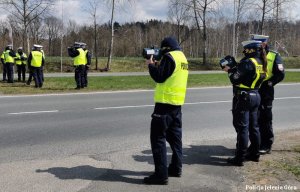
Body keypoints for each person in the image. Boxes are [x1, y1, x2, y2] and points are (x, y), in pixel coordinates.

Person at [143, 37, 188, 185]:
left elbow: (160, 77)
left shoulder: (169, 57)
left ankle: (161, 175)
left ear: (166, 48)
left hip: (164, 105)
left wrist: (151, 65)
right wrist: (157, 64)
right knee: (176, 139)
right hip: (177, 105)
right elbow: (170, 75)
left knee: (158, 139)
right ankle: (176, 168)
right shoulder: (182, 57)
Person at [223, 40, 267, 166]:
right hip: (256, 95)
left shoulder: (248, 62)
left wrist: (229, 70)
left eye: (246, 49)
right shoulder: (261, 61)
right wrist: (237, 67)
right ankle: (255, 154)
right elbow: (249, 76)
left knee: (243, 129)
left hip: (244, 97)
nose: (244, 51)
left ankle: (239, 158)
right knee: (254, 128)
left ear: (251, 50)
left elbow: (234, 79)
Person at [250, 34, 285, 154]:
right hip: (253, 89)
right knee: (254, 118)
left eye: (258, 43)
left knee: (266, 118)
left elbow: (280, 74)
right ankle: (256, 143)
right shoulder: (253, 54)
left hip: (266, 91)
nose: (255, 45)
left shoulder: (274, 55)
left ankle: (267, 144)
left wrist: (269, 83)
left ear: (264, 43)